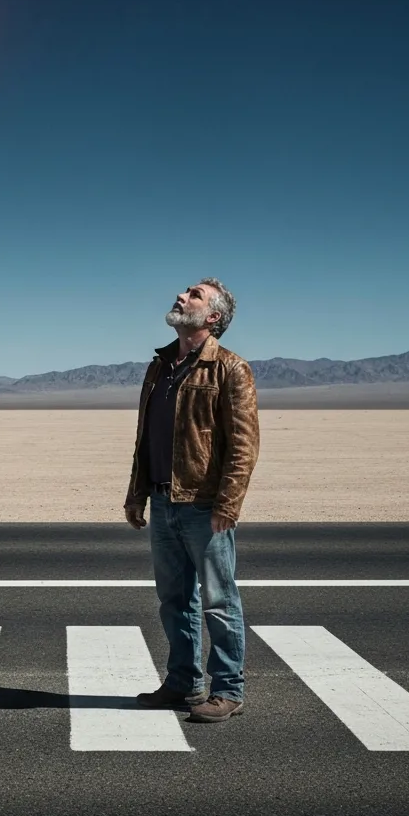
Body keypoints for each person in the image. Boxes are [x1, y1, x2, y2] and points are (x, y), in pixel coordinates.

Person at [123, 277, 260, 723]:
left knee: (219, 601)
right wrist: (137, 494)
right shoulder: (160, 366)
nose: (181, 297)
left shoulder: (229, 369)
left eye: (194, 295)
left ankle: (229, 690)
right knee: (174, 599)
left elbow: (244, 444)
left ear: (213, 317)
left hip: (204, 504)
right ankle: (184, 682)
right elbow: (146, 438)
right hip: (163, 501)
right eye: (184, 293)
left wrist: (228, 504)